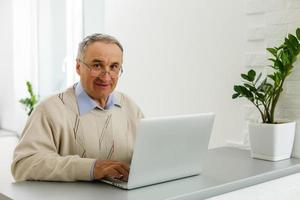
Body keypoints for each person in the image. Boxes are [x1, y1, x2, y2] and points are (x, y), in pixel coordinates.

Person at [11, 33, 144, 182]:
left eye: (114, 67)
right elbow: (23, 164)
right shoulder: (49, 110)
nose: (106, 76)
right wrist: (91, 168)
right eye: (97, 65)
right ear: (78, 67)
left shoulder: (130, 108)